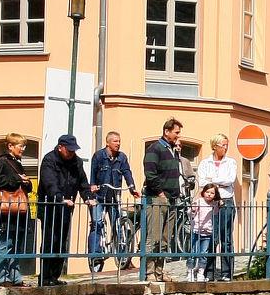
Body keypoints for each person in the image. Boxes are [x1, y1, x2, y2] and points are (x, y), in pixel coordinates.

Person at [37, 133, 90, 285]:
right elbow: (50, 183)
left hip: (67, 209)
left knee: (61, 242)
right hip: (49, 207)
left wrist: (87, 197)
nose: (72, 153)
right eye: (69, 150)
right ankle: (45, 278)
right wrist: (60, 198)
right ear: (60, 148)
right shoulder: (49, 160)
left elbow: (82, 182)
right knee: (49, 241)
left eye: (74, 150)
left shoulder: (77, 162)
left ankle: (55, 276)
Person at [88, 129, 138, 275]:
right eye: (115, 141)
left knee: (118, 223)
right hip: (99, 196)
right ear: (108, 142)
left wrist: (132, 188)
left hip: (114, 197)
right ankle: (95, 256)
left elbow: (127, 172)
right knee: (97, 224)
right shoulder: (99, 156)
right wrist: (92, 186)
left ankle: (122, 255)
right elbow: (92, 172)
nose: (118, 143)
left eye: (119, 141)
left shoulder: (122, 157)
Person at [142, 118, 185, 270]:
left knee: (166, 239)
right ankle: (148, 271)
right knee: (154, 238)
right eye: (176, 133)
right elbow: (150, 174)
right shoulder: (155, 149)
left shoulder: (172, 151)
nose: (178, 136)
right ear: (167, 132)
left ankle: (160, 271)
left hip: (172, 200)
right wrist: (161, 194)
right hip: (157, 199)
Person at [195, 133, 239, 281]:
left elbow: (230, 179)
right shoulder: (205, 163)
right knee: (211, 237)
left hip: (226, 201)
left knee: (226, 238)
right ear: (215, 146)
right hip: (210, 202)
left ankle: (227, 273)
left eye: (227, 145)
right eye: (222, 145)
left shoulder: (230, 162)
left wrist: (212, 181)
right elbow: (202, 183)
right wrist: (217, 183)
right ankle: (209, 272)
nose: (225, 148)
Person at [0, 135, 32, 286]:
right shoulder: (2, 162)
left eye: (23, 146)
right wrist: (17, 180)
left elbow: (25, 185)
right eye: (20, 146)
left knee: (16, 245)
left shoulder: (18, 163)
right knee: (5, 244)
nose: (23, 149)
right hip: (6, 211)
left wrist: (26, 183)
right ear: (10, 146)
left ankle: (16, 277)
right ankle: (3, 278)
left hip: (18, 211)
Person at [187, 183, 220, 281]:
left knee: (204, 254)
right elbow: (190, 212)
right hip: (197, 230)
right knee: (193, 252)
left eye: (212, 193)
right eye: (207, 192)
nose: (209, 194)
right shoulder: (199, 201)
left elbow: (216, 212)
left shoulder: (213, 204)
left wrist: (219, 203)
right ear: (203, 192)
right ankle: (190, 271)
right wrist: (193, 208)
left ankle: (201, 272)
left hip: (207, 232)